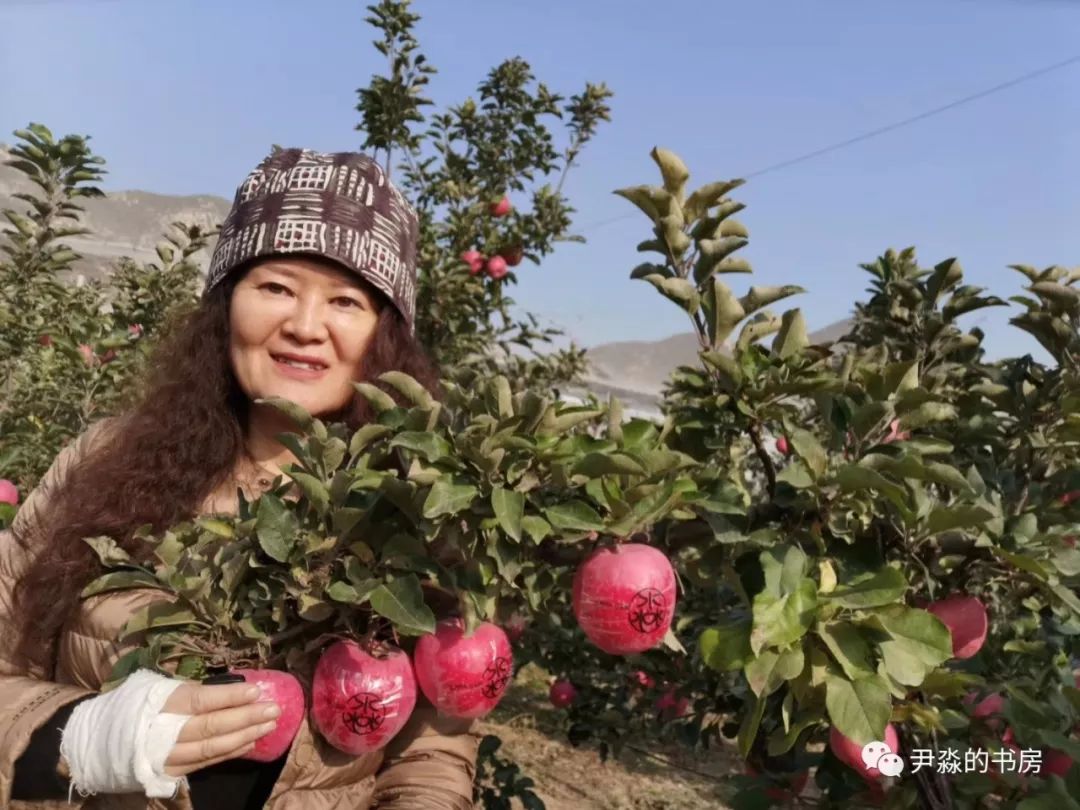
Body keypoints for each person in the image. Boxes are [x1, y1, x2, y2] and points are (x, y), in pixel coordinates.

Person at [0, 148, 479, 808]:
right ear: (226, 305)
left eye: (345, 300)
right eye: (276, 286)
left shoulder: (414, 517)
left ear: (383, 337)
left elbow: (429, 757)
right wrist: (79, 736)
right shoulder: (104, 462)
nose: (305, 327)